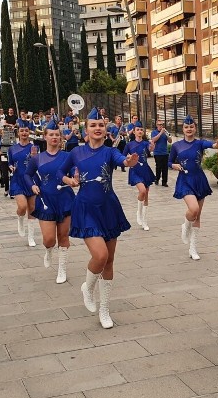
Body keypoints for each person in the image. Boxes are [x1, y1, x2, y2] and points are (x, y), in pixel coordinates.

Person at [59, 108, 139, 329]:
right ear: (86, 130)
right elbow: (61, 172)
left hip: (108, 208)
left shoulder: (109, 152)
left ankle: (105, 309)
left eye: (101, 125)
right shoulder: (76, 152)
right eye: (93, 125)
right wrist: (69, 180)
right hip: (85, 209)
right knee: (100, 255)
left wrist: (129, 162)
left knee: (110, 260)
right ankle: (88, 286)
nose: (97, 128)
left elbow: (122, 160)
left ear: (106, 130)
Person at [23, 120, 75, 283]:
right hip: (45, 199)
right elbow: (27, 175)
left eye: (57, 135)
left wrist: (75, 178)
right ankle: (48, 250)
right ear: (45, 137)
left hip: (65, 199)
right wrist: (32, 186)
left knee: (63, 236)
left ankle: (62, 270)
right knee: (49, 239)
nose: (54, 137)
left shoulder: (67, 156)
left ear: (61, 138)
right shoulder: (37, 158)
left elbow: (74, 171)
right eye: (51, 134)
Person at [169, 115, 218, 260]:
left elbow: (212, 145)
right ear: (183, 129)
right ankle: (185, 226)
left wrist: (217, 144)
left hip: (199, 180)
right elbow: (169, 161)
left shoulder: (200, 143)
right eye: (186, 127)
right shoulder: (176, 146)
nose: (189, 129)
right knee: (193, 209)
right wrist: (174, 165)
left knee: (198, 215)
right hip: (184, 180)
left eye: (191, 127)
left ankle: (193, 248)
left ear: (195, 128)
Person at [8, 126, 39, 246]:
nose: (24, 133)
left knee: (32, 208)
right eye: (22, 131)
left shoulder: (34, 147)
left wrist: (34, 157)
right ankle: (20, 218)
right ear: (18, 133)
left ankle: (31, 237)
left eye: (26, 131)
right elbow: (10, 162)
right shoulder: (12, 148)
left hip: (31, 180)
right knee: (22, 206)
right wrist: (11, 167)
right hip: (17, 179)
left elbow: (38, 163)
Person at [124, 120, 156, 231]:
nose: (140, 131)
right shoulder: (129, 144)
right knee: (142, 190)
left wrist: (152, 147)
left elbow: (150, 149)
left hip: (145, 169)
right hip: (135, 170)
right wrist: (128, 159)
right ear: (134, 132)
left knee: (146, 194)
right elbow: (123, 157)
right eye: (138, 130)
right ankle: (138, 212)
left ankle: (144, 220)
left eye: (141, 130)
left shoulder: (145, 143)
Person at [150, 119, 171, 187]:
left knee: (165, 168)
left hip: (165, 153)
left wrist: (167, 135)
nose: (161, 126)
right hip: (157, 153)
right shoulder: (154, 132)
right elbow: (154, 140)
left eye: (162, 124)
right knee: (159, 167)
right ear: (156, 125)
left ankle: (164, 182)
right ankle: (157, 179)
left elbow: (170, 141)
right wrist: (161, 133)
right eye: (159, 124)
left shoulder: (165, 132)